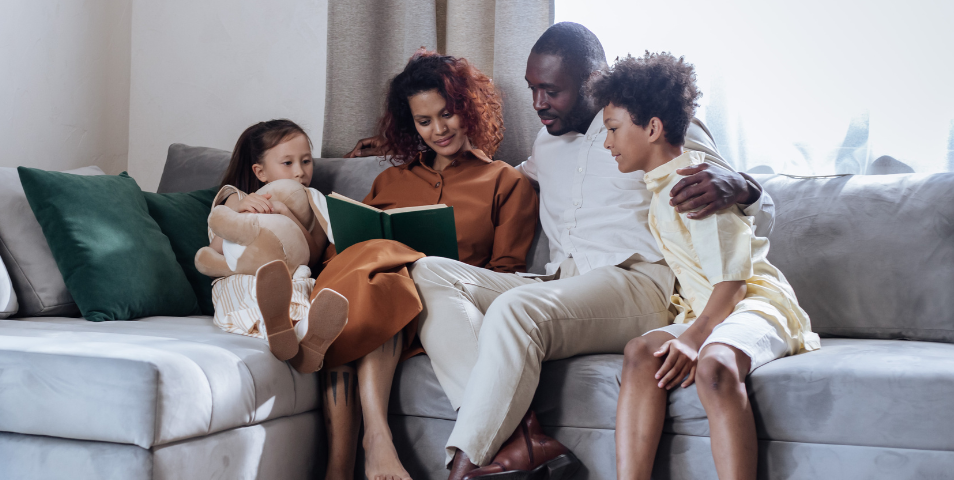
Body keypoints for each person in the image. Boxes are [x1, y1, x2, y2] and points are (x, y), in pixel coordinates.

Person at [352, 23, 780, 480]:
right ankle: (520, 439)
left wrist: (745, 187)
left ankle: (465, 462)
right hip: (563, 284)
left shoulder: (642, 125)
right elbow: (503, 177)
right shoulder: (545, 142)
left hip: (637, 283)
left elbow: (750, 210)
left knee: (518, 310)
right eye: (532, 89)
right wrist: (410, 150)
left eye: (551, 90)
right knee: (429, 273)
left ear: (593, 80)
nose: (538, 103)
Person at [596, 51, 819, 480]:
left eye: (613, 129)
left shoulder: (695, 185)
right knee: (640, 351)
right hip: (715, 310)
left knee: (714, 364)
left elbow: (735, 283)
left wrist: (695, 337)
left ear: (653, 128)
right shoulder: (661, 187)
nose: (608, 143)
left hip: (755, 304)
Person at [320, 49, 539, 480]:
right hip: (375, 303)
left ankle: (364, 447)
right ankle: (368, 448)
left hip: (437, 315)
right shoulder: (390, 180)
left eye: (448, 114)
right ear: (410, 125)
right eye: (424, 121)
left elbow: (507, 279)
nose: (438, 130)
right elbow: (343, 253)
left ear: (469, 108)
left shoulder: (506, 182)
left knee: (382, 284)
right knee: (375, 276)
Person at [207, 119, 348, 373]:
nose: (300, 172)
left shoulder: (311, 202)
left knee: (300, 285)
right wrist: (239, 211)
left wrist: (287, 213)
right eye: (288, 163)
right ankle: (278, 327)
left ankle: (298, 335)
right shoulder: (236, 197)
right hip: (242, 275)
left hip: (292, 276)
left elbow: (313, 255)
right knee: (253, 286)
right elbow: (217, 248)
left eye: (306, 161)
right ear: (260, 172)